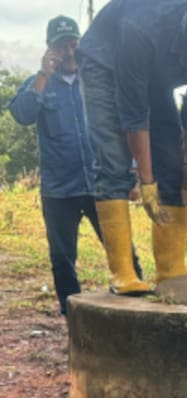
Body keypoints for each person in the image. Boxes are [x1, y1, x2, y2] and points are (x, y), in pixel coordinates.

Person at [77, 0, 187, 294]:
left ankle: (170, 272)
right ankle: (123, 274)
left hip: (155, 74)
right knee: (113, 160)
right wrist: (147, 181)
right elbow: (134, 115)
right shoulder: (142, 26)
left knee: (173, 166)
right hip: (105, 62)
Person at [7, 15, 143, 315]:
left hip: (101, 184)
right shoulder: (38, 83)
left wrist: (132, 173)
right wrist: (43, 74)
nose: (69, 52)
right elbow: (23, 114)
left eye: (73, 44)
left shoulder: (98, 82)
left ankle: (138, 309)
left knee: (122, 250)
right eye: (61, 46)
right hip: (59, 190)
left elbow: (124, 125)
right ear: (49, 49)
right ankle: (73, 317)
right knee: (62, 257)